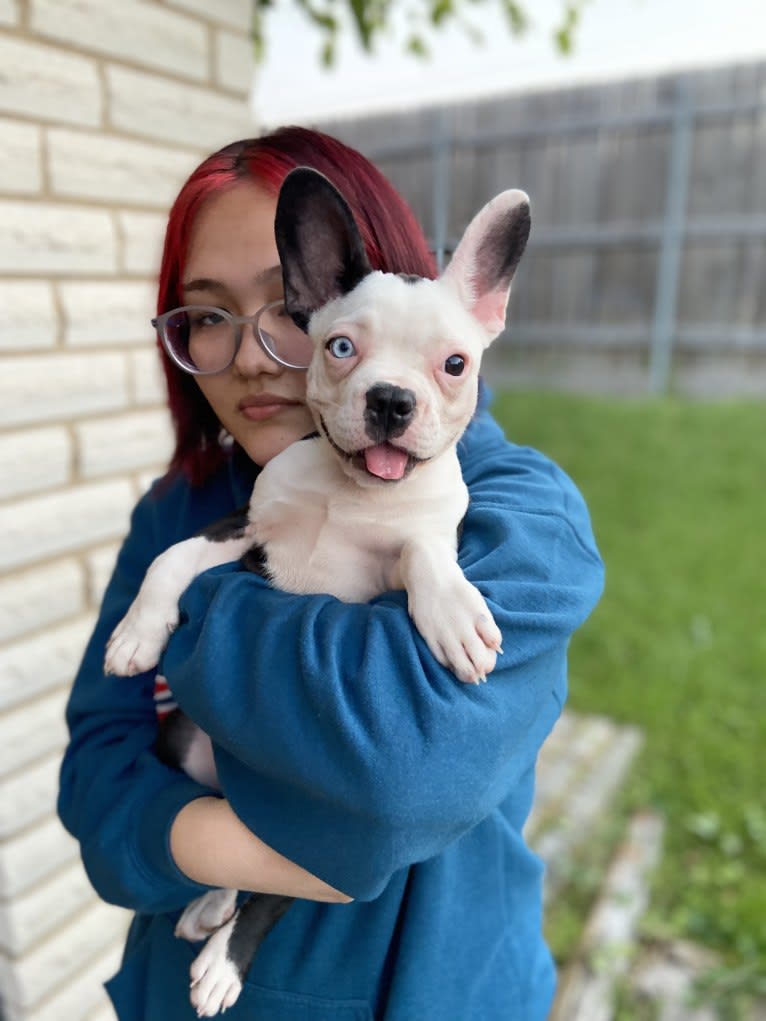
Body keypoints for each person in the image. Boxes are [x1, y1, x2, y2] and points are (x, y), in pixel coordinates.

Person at [58, 126, 604, 1020]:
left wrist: (201, 615)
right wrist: (263, 855)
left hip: (446, 989)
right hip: (184, 988)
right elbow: (97, 784)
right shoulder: (175, 512)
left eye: (285, 307)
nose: (247, 354)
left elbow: (404, 776)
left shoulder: (523, 516)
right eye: (207, 315)